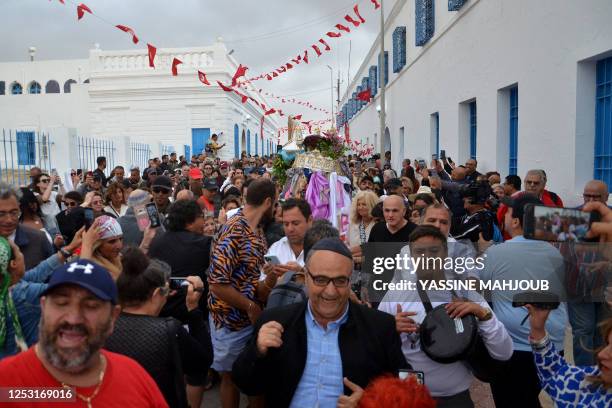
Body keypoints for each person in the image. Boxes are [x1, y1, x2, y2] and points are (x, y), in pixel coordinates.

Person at [232, 238, 409, 407]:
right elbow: (246, 385)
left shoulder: (380, 327)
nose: (330, 291)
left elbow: (407, 389)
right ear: (305, 278)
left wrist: (372, 402)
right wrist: (257, 351)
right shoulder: (275, 321)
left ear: (350, 281)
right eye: (321, 280)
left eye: (340, 281)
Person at [0, 258, 168, 407]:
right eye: (61, 303)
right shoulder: (7, 386)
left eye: (91, 306)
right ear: (43, 307)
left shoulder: (135, 377)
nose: (73, 318)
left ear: (113, 317)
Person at [378, 226, 513, 407]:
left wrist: (483, 316)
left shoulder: (466, 295)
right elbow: (373, 347)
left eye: (434, 251)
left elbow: (504, 352)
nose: (427, 257)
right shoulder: (395, 295)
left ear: (445, 254)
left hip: (455, 399)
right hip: (409, 397)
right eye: (419, 252)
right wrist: (388, 329)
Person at [481, 194, 568, 407]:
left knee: (512, 400)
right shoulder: (557, 252)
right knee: (527, 398)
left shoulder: (496, 253)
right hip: (553, 342)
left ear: (517, 221)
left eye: (508, 213)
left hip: (514, 346)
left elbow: (483, 290)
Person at [105, 248, 212, 408]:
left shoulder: (102, 326)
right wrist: (194, 309)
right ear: (156, 294)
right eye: (166, 291)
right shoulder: (169, 330)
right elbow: (203, 361)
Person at [207, 178, 277, 408]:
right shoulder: (234, 231)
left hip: (250, 321)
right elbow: (217, 283)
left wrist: (269, 278)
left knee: (255, 378)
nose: (276, 209)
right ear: (268, 202)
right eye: (275, 204)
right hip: (229, 320)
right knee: (231, 377)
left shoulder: (256, 229)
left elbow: (251, 277)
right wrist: (250, 306)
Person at [0, 230, 83, 359]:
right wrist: (87, 247)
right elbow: (74, 290)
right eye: (19, 252)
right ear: (13, 264)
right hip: (20, 369)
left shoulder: (9, 284)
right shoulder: (24, 294)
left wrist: (69, 249)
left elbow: (37, 273)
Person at [527, 306, 612, 406]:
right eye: (607, 344)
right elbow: (556, 374)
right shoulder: (594, 381)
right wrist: (538, 329)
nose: (601, 354)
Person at [148, 200, 212, 321]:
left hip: (161, 313)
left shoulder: (156, 241)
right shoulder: (204, 244)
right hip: (193, 314)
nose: (204, 222)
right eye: (201, 217)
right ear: (189, 221)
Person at [0, 182, 53, 270]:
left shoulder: (39, 239)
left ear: (19, 208)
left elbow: (53, 276)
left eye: (13, 212)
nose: (9, 220)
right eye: (1, 214)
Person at [261, 198, 312, 283]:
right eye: (286, 224)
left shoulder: (321, 250)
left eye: (295, 223)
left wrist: (302, 275)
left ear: (310, 221)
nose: (290, 229)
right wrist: (270, 279)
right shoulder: (276, 249)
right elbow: (261, 290)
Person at [80, 215, 124, 280]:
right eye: (112, 241)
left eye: (120, 239)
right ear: (98, 245)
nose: (119, 246)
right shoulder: (93, 270)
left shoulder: (120, 258)